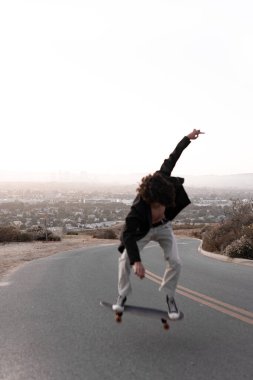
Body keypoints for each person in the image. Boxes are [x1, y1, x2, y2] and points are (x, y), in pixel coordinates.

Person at [112, 129, 204, 319]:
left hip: (163, 228)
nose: (160, 208)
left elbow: (172, 157)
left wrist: (187, 138)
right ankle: (122, 295)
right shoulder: (137, 210)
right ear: (148, 202)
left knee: (176, 262)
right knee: (124, 261)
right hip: (143, 231)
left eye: (162, 205)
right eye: (155, 206)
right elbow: (127, 235)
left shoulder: (162, 181)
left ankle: (170, 297)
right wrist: (136, 261)